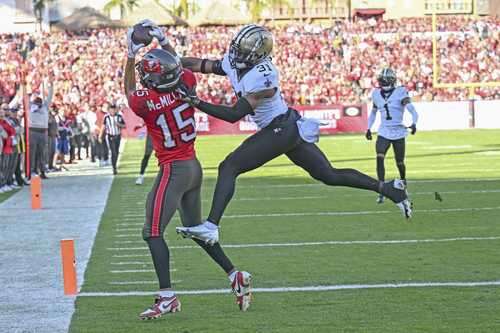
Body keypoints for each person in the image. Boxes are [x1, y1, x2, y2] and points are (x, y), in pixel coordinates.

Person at [174, 24, 412, 245]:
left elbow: (234, 115)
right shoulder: (235, 62)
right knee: (328, 175)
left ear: (257, 55)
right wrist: (174, 64)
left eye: (243, 50)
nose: (236, 54)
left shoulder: (263, 75)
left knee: (229, 167)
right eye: (237, 48)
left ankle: (211, 226)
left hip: (281, 129)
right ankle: (389, 189)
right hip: (287, 127)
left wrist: (195, 101)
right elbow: (202, 65)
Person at [124, 20, 252, 319]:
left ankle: (167, 297)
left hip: (174, 169)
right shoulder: (187, 83)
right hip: (193, 166)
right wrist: (165, 41)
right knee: (196, 230)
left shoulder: (147, 101)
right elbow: (177, 65)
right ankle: (234, 274)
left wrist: (130, 54)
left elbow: (129, 87)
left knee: (151, 231)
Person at [365, 68, 419, 204]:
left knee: (399, 162)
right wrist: (368, 128)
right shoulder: (376, 93)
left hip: (398, 130)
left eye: (384, 80)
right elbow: (373, 113)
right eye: (381, 80)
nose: (382, 82)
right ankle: (381, 189)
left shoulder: (401, 92)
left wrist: (414, 123)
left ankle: (403, 183)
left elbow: (412, 110)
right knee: (379, 156)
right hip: (384, 131)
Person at [28, 81, 53, 179]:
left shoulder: (45, 107)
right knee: (33, 152)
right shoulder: (30, 107)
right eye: (36, 102)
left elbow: (50, 96)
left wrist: (51, 84)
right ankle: (32, 171)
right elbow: (25, 99)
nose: (38, 104)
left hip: (43, 132)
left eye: (39, 102)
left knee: (42, 152)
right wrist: (25, 86)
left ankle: (42, 170)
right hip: (33, 131)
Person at [100, 103, 125, 175]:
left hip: (118, 136)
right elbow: (103, 126)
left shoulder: (119, 116)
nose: (113, 111)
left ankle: (114, 164)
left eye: (114, 110)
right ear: (109, 110)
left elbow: (124, 125)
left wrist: (119, 124)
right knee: (113, 151)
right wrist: (100, 136)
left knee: (116, 152)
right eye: (111, 110)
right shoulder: (106, 117)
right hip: (110, 136)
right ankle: (114, 167)